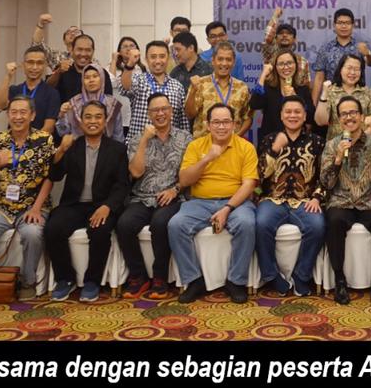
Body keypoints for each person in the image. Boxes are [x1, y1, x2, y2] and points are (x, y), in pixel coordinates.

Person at [169, 104, 259, 304]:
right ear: (208, 125)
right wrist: (206, 159)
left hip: (235, 202)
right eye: (216, 122)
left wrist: (227, 209)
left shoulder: (246, 147)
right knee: (176, 225)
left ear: (234, 124)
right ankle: (194, 280)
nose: (221, 127)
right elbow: (184, 180)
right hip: (200, 202)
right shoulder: (196, 146)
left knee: (246, 224)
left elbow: (249, 185)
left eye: (226, 122)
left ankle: (236, 281)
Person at [0, 96, 56, 303]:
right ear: (8, 115)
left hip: (34, 206)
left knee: (32, 234)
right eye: (14, 112)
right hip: (2, 207)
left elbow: (50, 178)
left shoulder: (44, 140)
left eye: (23, 112)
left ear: (32, 115)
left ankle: (28, 283)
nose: (18, 117)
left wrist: (36, 208)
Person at [46, 101, 131, 302]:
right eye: (88, 117)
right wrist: (60, 151)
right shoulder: (72, 146)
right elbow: (55, 175)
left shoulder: (117, 149)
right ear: (80, 121)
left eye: (98, 117)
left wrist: (108, 206)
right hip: (73, 205)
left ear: (105, 120)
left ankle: (92, 281)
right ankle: (65, 279)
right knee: (53, 228)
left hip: (102, 204)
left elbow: (122, 185)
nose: (93, 121)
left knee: (100, 231)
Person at [117, 93, 189, 299]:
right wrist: (144, 141)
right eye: (155, 110)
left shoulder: (185, 138)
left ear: (171, 111)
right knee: (124, 224)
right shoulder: (138, 139)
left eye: (164, 109)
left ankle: (160, 277)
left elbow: (189, 173)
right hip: (142, 196)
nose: (160, 113)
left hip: (172, 195)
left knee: (160, 223)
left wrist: (175, 189)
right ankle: (138, 276)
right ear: (149, 114)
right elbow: (135, 172)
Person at [322, 96, 371, 304]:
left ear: (362, 116)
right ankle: (339, 279)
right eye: (344, 114)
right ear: (339, 119)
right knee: (334, 221)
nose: (349, 117)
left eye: (353, 112)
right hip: (341, 201)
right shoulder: (332, 144)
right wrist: (337, 159)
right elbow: (327, 183)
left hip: (369, 201)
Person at [255, 96, 326, 296]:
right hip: (273, 199)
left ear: (304, 116)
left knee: (317, 226)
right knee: (261, 224)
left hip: (305, 201)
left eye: (297, 112)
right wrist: (274, 150)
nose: (292, 115)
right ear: (281, 115)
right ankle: (271, 275)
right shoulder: (269, 139)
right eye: (288, 112)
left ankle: (302, 275)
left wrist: (317, 197)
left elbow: (325, 176)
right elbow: (259, 175)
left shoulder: (317, 142)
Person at [121, 39, 190, 142]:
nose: (158, 61)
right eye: (153, 57)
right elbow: (125, 87)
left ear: (168, 58)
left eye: (162, 56)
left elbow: (183, 122)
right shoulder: (138, 80)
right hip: (139, 145)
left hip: (169, 147)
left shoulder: (177, 86)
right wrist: (130, 64)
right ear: (146, 59)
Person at [185, 42, 252, 137]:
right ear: (213, 61)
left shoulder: (242, 88)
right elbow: (189, 114)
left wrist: (236, 137)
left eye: (228, 59)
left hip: (232, 144)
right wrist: (193, 91)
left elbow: (248, 117)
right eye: (220, 59)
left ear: (233, 63)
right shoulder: (200, 84)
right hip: (204, 143)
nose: (224, 63)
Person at [0, 45, 61, 134]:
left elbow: (49, 127)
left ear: (45, 66)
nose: (34, 67)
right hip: (13, 140)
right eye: (30, 62)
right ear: (23, 65)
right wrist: (8, 76)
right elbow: (0, 105)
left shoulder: (51, 93)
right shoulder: (15, 90)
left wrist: (30, 142)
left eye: (39, 63)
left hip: (38, 141)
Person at [311, 9, 371, 102]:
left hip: (357, 98)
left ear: (353, 25)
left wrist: (368, 54)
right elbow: (319, 78)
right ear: (334, 25)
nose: (344, 26)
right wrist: (313, 104)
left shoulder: (361, 45)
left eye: (347, 23)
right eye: (340, 23)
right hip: (331, 98)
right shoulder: (325, 48)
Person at [251, 50, 314, 140]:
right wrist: (263, 75)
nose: (286, 67)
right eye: (281, 64)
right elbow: (254, 104)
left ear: (296, 65)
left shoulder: (303, 89)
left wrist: (296, 98)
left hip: (297, 141)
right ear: (275, 67)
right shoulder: (269, 88)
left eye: (289, 63)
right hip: (271, 140)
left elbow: (311, 118)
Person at [315, 54, 371, 141]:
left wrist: (358, 140)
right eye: (349, 68)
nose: (352, 72)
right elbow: (320, 121)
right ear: (340, 69)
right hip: (336, 144)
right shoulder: (330, 91)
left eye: (357, 69)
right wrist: (324, 94)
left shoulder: (367, 92)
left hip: (363, 144)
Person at [56, 66, 124, 141]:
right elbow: (62, 132)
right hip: (78, 146)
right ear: (82, 81)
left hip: (107, 147)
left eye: (95, 76)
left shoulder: (112, 104)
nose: (91, 80)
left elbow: (118, 136)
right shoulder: (73, 103)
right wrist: (62, 115)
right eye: (87, 77)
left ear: (102, 79)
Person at [49, 34, 113, 103]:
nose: (83, 54)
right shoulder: (62, 70)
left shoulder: (101, 73)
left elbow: (109, 100)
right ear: (72, 50)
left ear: (93, 51)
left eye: (88, 50)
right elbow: (47, 89)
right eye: (79, 49)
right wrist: (58, 72)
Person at [259, 9, 311, 85]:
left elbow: (306, 85)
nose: (284, 35)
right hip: (272, 92)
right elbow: (268, 36)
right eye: (281, 33)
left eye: (289, 33)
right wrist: (275, 15)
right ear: (275, 39)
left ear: (295, 39)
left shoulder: (303, 61)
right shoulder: (270, 55)